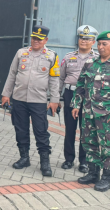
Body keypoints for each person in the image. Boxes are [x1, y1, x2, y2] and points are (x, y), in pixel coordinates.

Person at [1, 25, 60, 177]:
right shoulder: (21, 53)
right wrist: (6, 94)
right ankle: (24, 157)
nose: (36, 41)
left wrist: (54, 100)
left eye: (39, 39)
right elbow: (12, 74)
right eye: (34, 38)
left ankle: (45, 162)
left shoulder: (52, 56)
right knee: (21, 129)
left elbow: (54, 80)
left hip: (39, 101)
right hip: (19, 99)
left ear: (45, 40)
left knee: (41, 131)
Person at [72, 30, 110, 192]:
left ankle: (107, 176)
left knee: (107, 145)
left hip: (106, 115)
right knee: (89, 142)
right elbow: (80, 85)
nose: (100, 47)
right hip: (88, 112)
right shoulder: (90, 63)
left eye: (104, 44)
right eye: (99, 44)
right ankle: (93, 173)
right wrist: (76, 104)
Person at [59, 25, 99, 173]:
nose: (84, 41)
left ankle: (84, 161)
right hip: (70, 94)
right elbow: (60, 79)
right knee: (70, 128)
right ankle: (69, 159)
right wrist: (55, 98)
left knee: (86, 130)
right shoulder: (68, 57)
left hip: (89, 97)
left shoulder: (97, 59)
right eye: (82, 37)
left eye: (87, 39)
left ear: (93, 41)